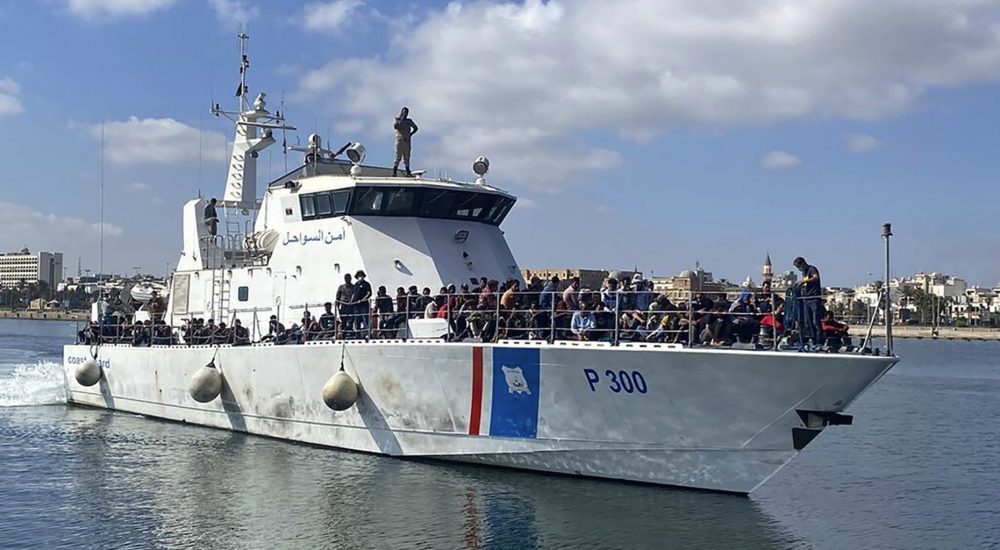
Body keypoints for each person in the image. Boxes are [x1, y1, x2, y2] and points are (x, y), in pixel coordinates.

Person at [793, 256, 824, 350]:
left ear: (802, 263)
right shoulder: (804, 272)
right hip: (806, 299)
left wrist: (804, 281)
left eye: (798, 266)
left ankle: (819, 342)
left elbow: (815, 277)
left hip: (814, 299)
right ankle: (811, 340)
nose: (799, 269)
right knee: (808, 322)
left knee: (815, 321)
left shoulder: (812, 269)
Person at [392, 106, 418, 177]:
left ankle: (408, 171)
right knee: (398, 156)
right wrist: (401, 120)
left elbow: (415, 128)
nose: (405, 114)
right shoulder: (397, 120)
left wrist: (410, 134)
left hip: (407, 141)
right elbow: (395, 126)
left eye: (406, 113)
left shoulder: (409, 121)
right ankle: (394, 171)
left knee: (407, 157)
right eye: (404, 112)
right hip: (399, 141)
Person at [352, 270, 373, 338]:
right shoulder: (356, 284)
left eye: (361, 275)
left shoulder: (366, 284)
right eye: (359, 276)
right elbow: (354, 294)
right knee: (357, 320)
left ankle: (368, 333)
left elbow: (369, 293)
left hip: (364, 305)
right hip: (356, 305)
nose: (360, 277)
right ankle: (357, 334)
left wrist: (362, 300)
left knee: (366, 319)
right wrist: (351, 302)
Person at [336, 274, 355, 338]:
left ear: (350, 278)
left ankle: (350, 333)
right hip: (343, 306)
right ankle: (343, 334)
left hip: (351, 306)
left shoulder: (353, 287)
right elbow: (338, 298)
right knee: (343, 320)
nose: (347, 279)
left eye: (348, 278)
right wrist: (338, 307)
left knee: (350, 320)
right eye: (346, 278)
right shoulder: (341, 287)